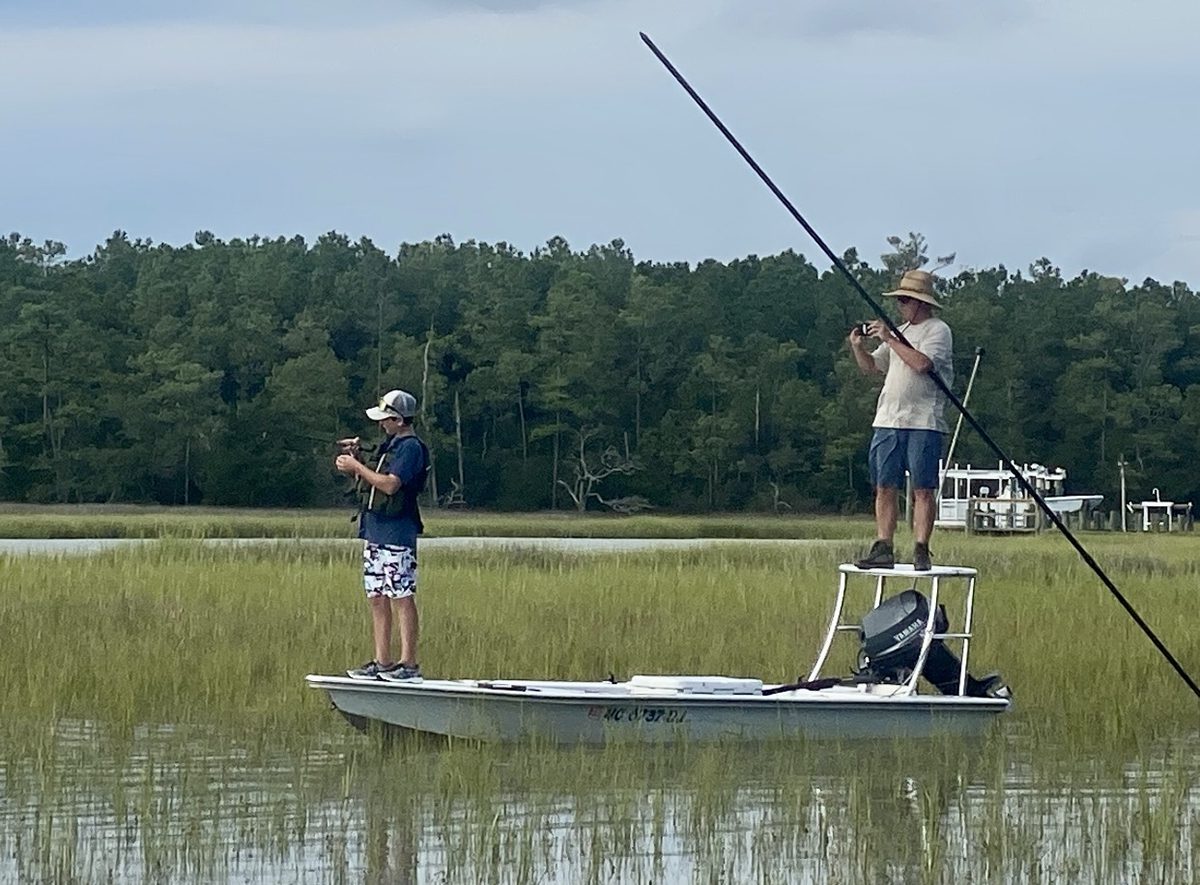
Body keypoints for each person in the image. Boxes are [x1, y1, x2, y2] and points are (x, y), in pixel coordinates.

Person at [848, 269, 953, 571]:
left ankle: (921, 547)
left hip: (923, 420)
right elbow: (872, 367)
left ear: (921, 302)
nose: (901, 306)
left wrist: (891, 340)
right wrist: (858, 347)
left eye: (905, 300)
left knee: (922, 487)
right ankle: (884, 545)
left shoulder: (937, 330)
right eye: (900, 300)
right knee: (884, 485)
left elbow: (922, 364)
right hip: (888, 418)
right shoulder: (899, 331)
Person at [335, 388, 430, 681]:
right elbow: (372, 475)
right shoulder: (388, 445)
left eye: (387, 418)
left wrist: (357, 467)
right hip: (374, 531)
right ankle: (382, 661)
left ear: (400, 419)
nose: (382, 424)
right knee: (377, 596)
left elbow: (390, 485)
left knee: (402, 596)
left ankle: (408, 664)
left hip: (398, 532)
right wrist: (354, 457)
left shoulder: (410, 447)